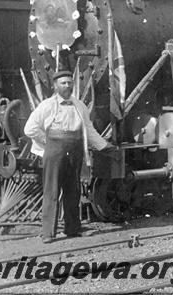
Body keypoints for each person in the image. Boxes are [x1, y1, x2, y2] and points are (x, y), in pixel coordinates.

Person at [24, 70, 115, 243]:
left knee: (73, 190)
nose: (67, 86)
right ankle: (48, 234)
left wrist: (104, 145)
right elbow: (29, 129)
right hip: (54, 150)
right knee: (51, 190)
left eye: (69, 83)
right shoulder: (47, 105)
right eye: (63, 83)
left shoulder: (80, 105)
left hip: (75, 149)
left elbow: (88, 129)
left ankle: (72, 229)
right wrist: (47, 142)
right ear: (55, 86)